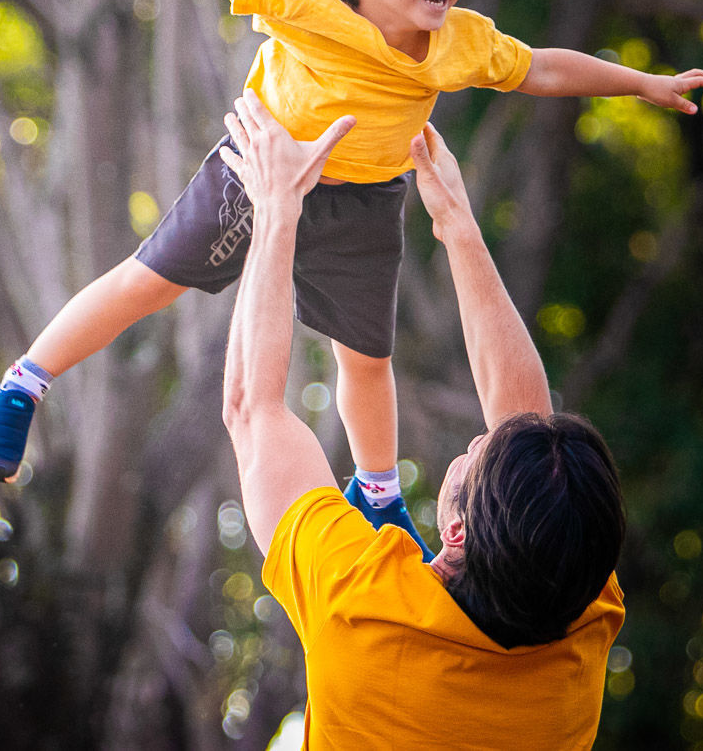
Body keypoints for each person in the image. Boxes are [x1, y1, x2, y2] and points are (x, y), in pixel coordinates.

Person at [0, 0, 703, 554]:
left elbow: (542, 70)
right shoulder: (308, 2)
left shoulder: (458, 41)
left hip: (362, 201)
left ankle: (377, 492)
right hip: (259, 171)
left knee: (366, 357)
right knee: (145, 282)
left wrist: (642, 82)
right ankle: (25, 383)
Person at [220, 91, 625, 747]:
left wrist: (275, 209)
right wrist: (457, 225)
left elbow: (251, 407)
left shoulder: (365, 610)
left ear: (457, 527)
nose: (477, 436)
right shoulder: (576, 610)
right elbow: (530, 432)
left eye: (476, 456)